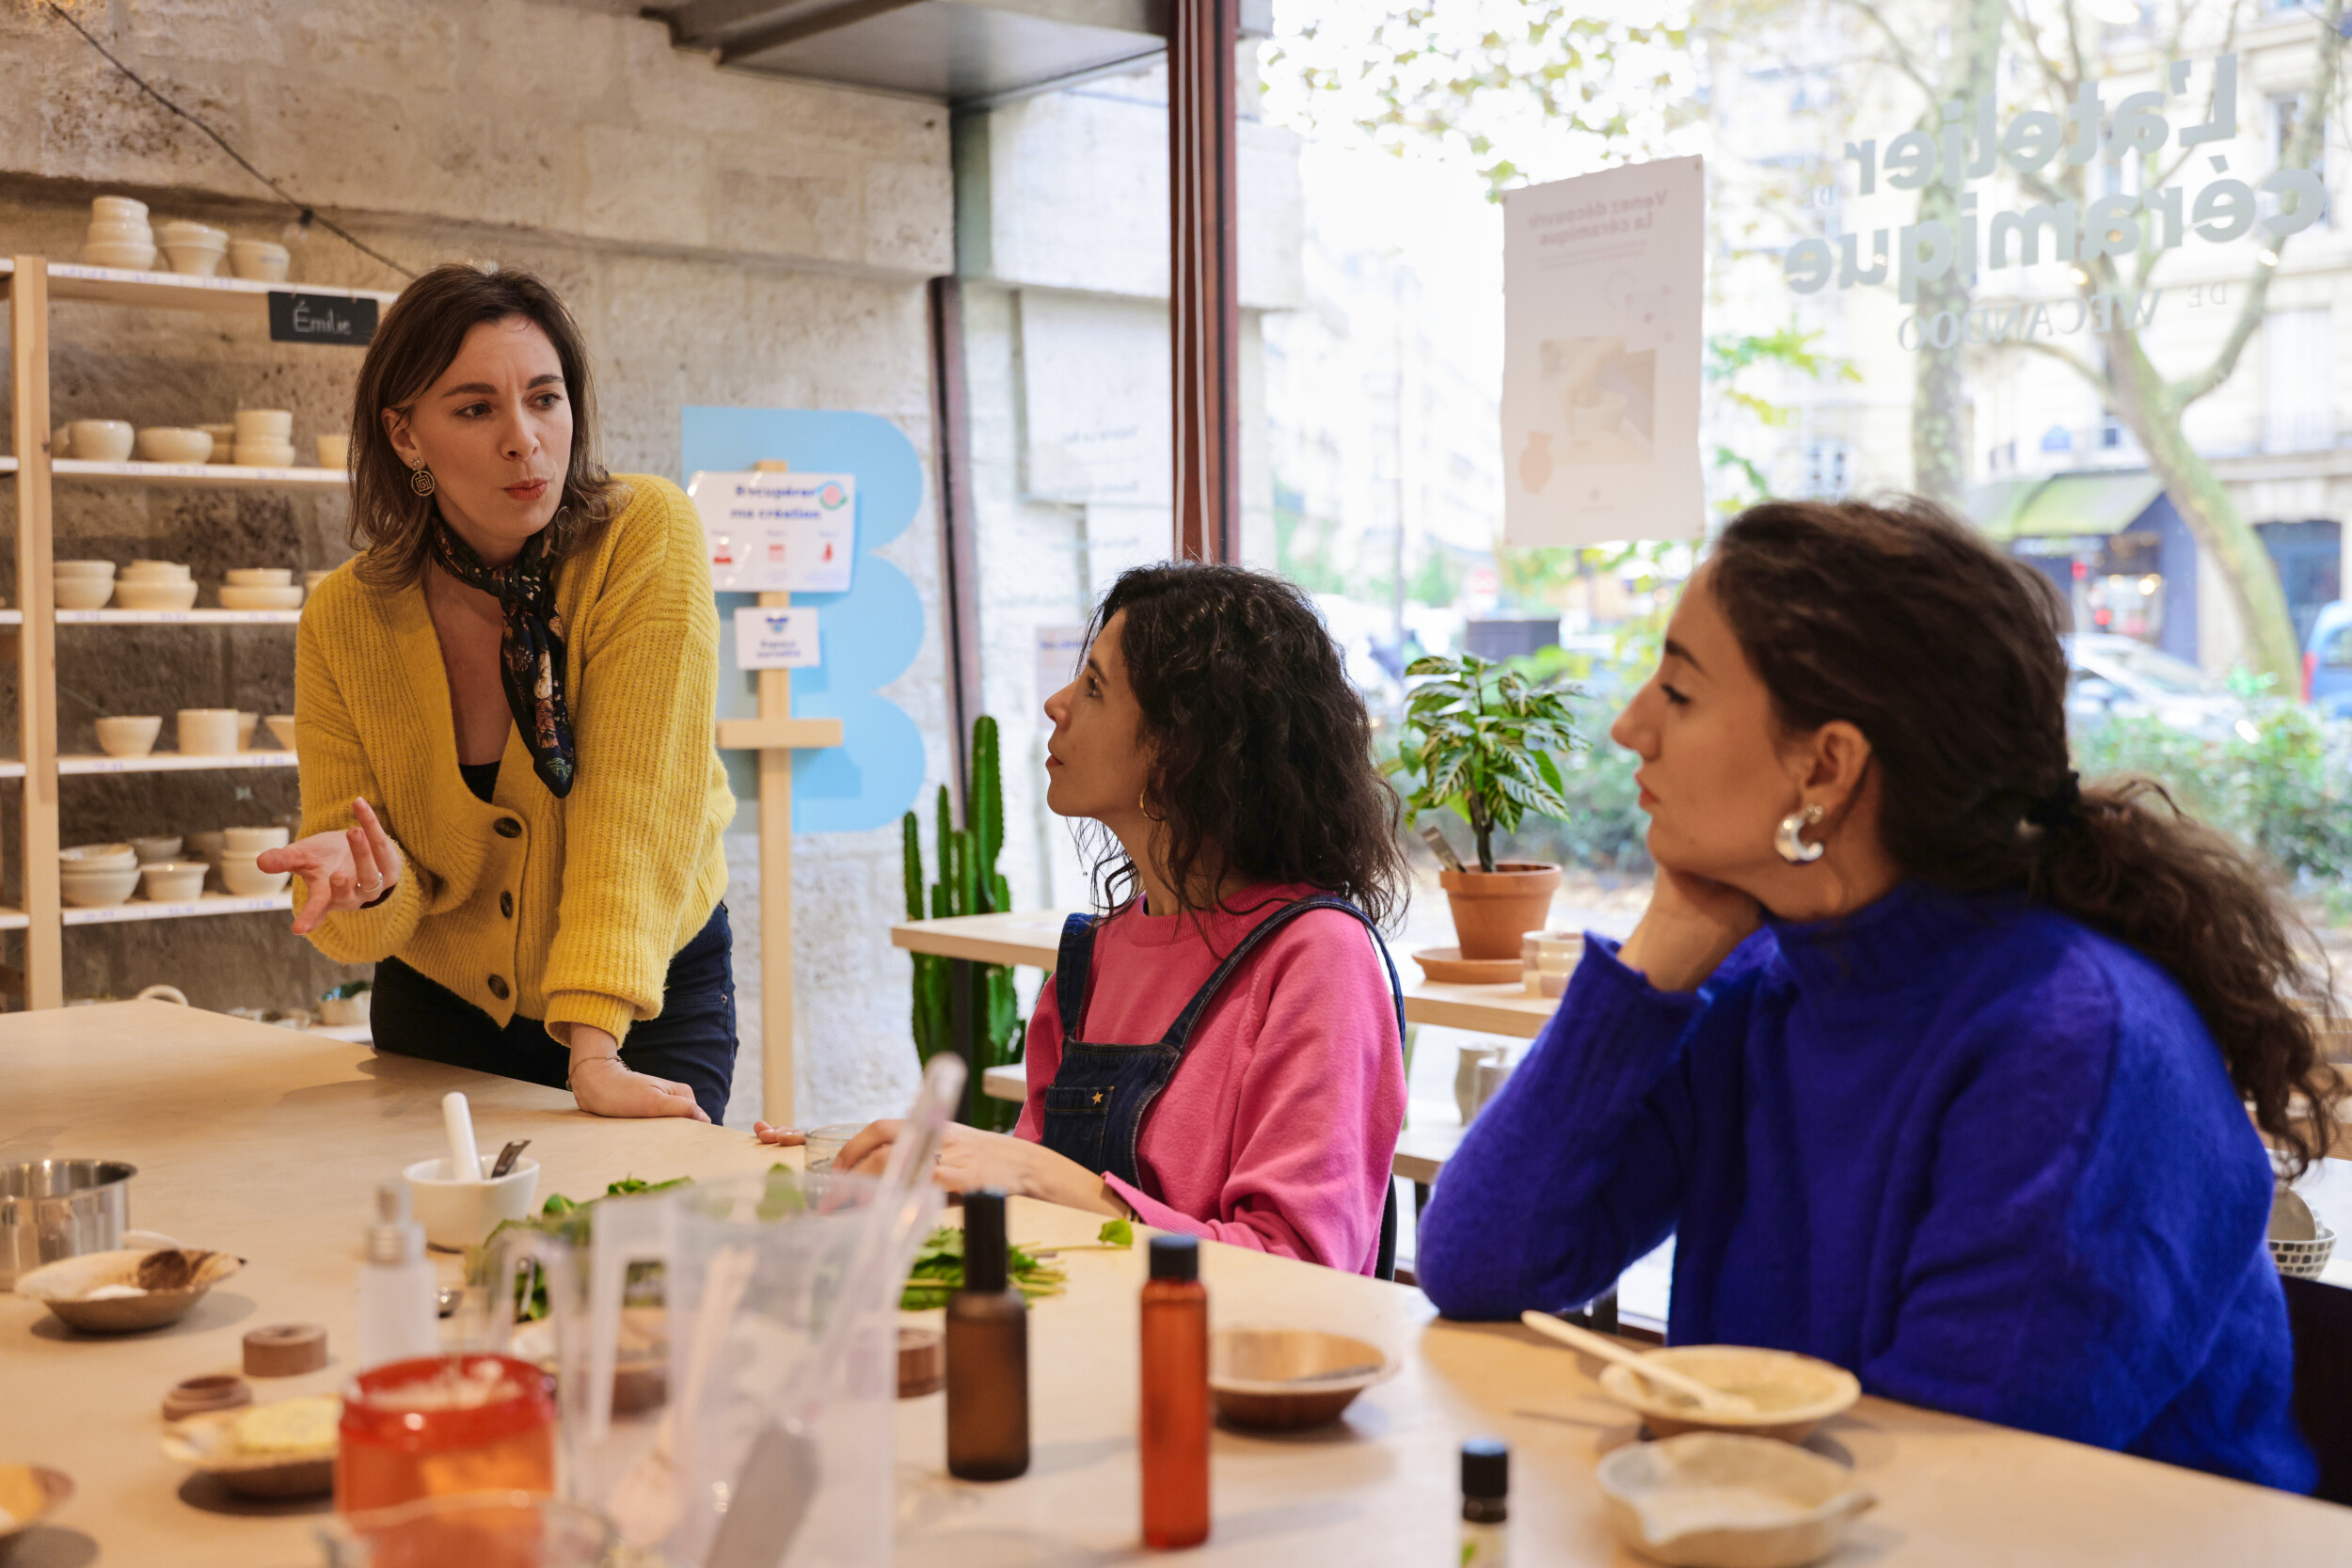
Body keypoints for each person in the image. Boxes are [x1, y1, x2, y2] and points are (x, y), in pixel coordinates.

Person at [1416, 497, 2339, 1489]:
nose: (1629, 724)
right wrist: (1652, 958)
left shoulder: (2073, 1048)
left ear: (1826, 766)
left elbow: (1950, 1493)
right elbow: (1478, 1264)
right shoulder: (1763, 981)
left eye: (1678, 691)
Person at [762, 563, 1409, 1275]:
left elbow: (1301, 1269)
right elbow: (1024, 1222)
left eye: (1095, 687)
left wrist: (1039, 1174)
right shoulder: (1092, 958)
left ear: (1183, 746)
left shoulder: (1319, 957)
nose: (1056, 702)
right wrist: (883, 1167)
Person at [264, 263, 739, 1123]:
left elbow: (635, 813)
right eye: (476, 408)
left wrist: (592, 1049)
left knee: (639, 1243)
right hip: (441, 1008)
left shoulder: (644, 535)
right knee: (453, 1252)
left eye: (545, 399)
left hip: (640, 1000)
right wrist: (367, 885)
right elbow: (356, 902)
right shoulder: (343, 616)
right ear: (406, 436)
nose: (523, 438)